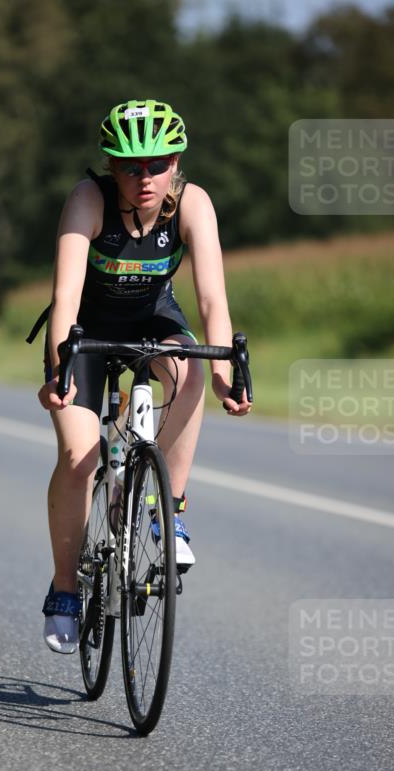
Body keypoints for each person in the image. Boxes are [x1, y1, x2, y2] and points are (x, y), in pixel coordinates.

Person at [30, 99, 252, 654]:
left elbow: (210, 298)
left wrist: (225, 374)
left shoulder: (193, 205)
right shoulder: (88, 201)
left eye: (157, 164)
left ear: (176, 162)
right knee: (80, 458)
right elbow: (65, 295)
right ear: (111, 167)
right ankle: (64, 588)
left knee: (190, 366)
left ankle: (169, 514)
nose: (144, 178)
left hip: (154, 322)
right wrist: (59, 367)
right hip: (86, 330)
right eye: (130, 167)